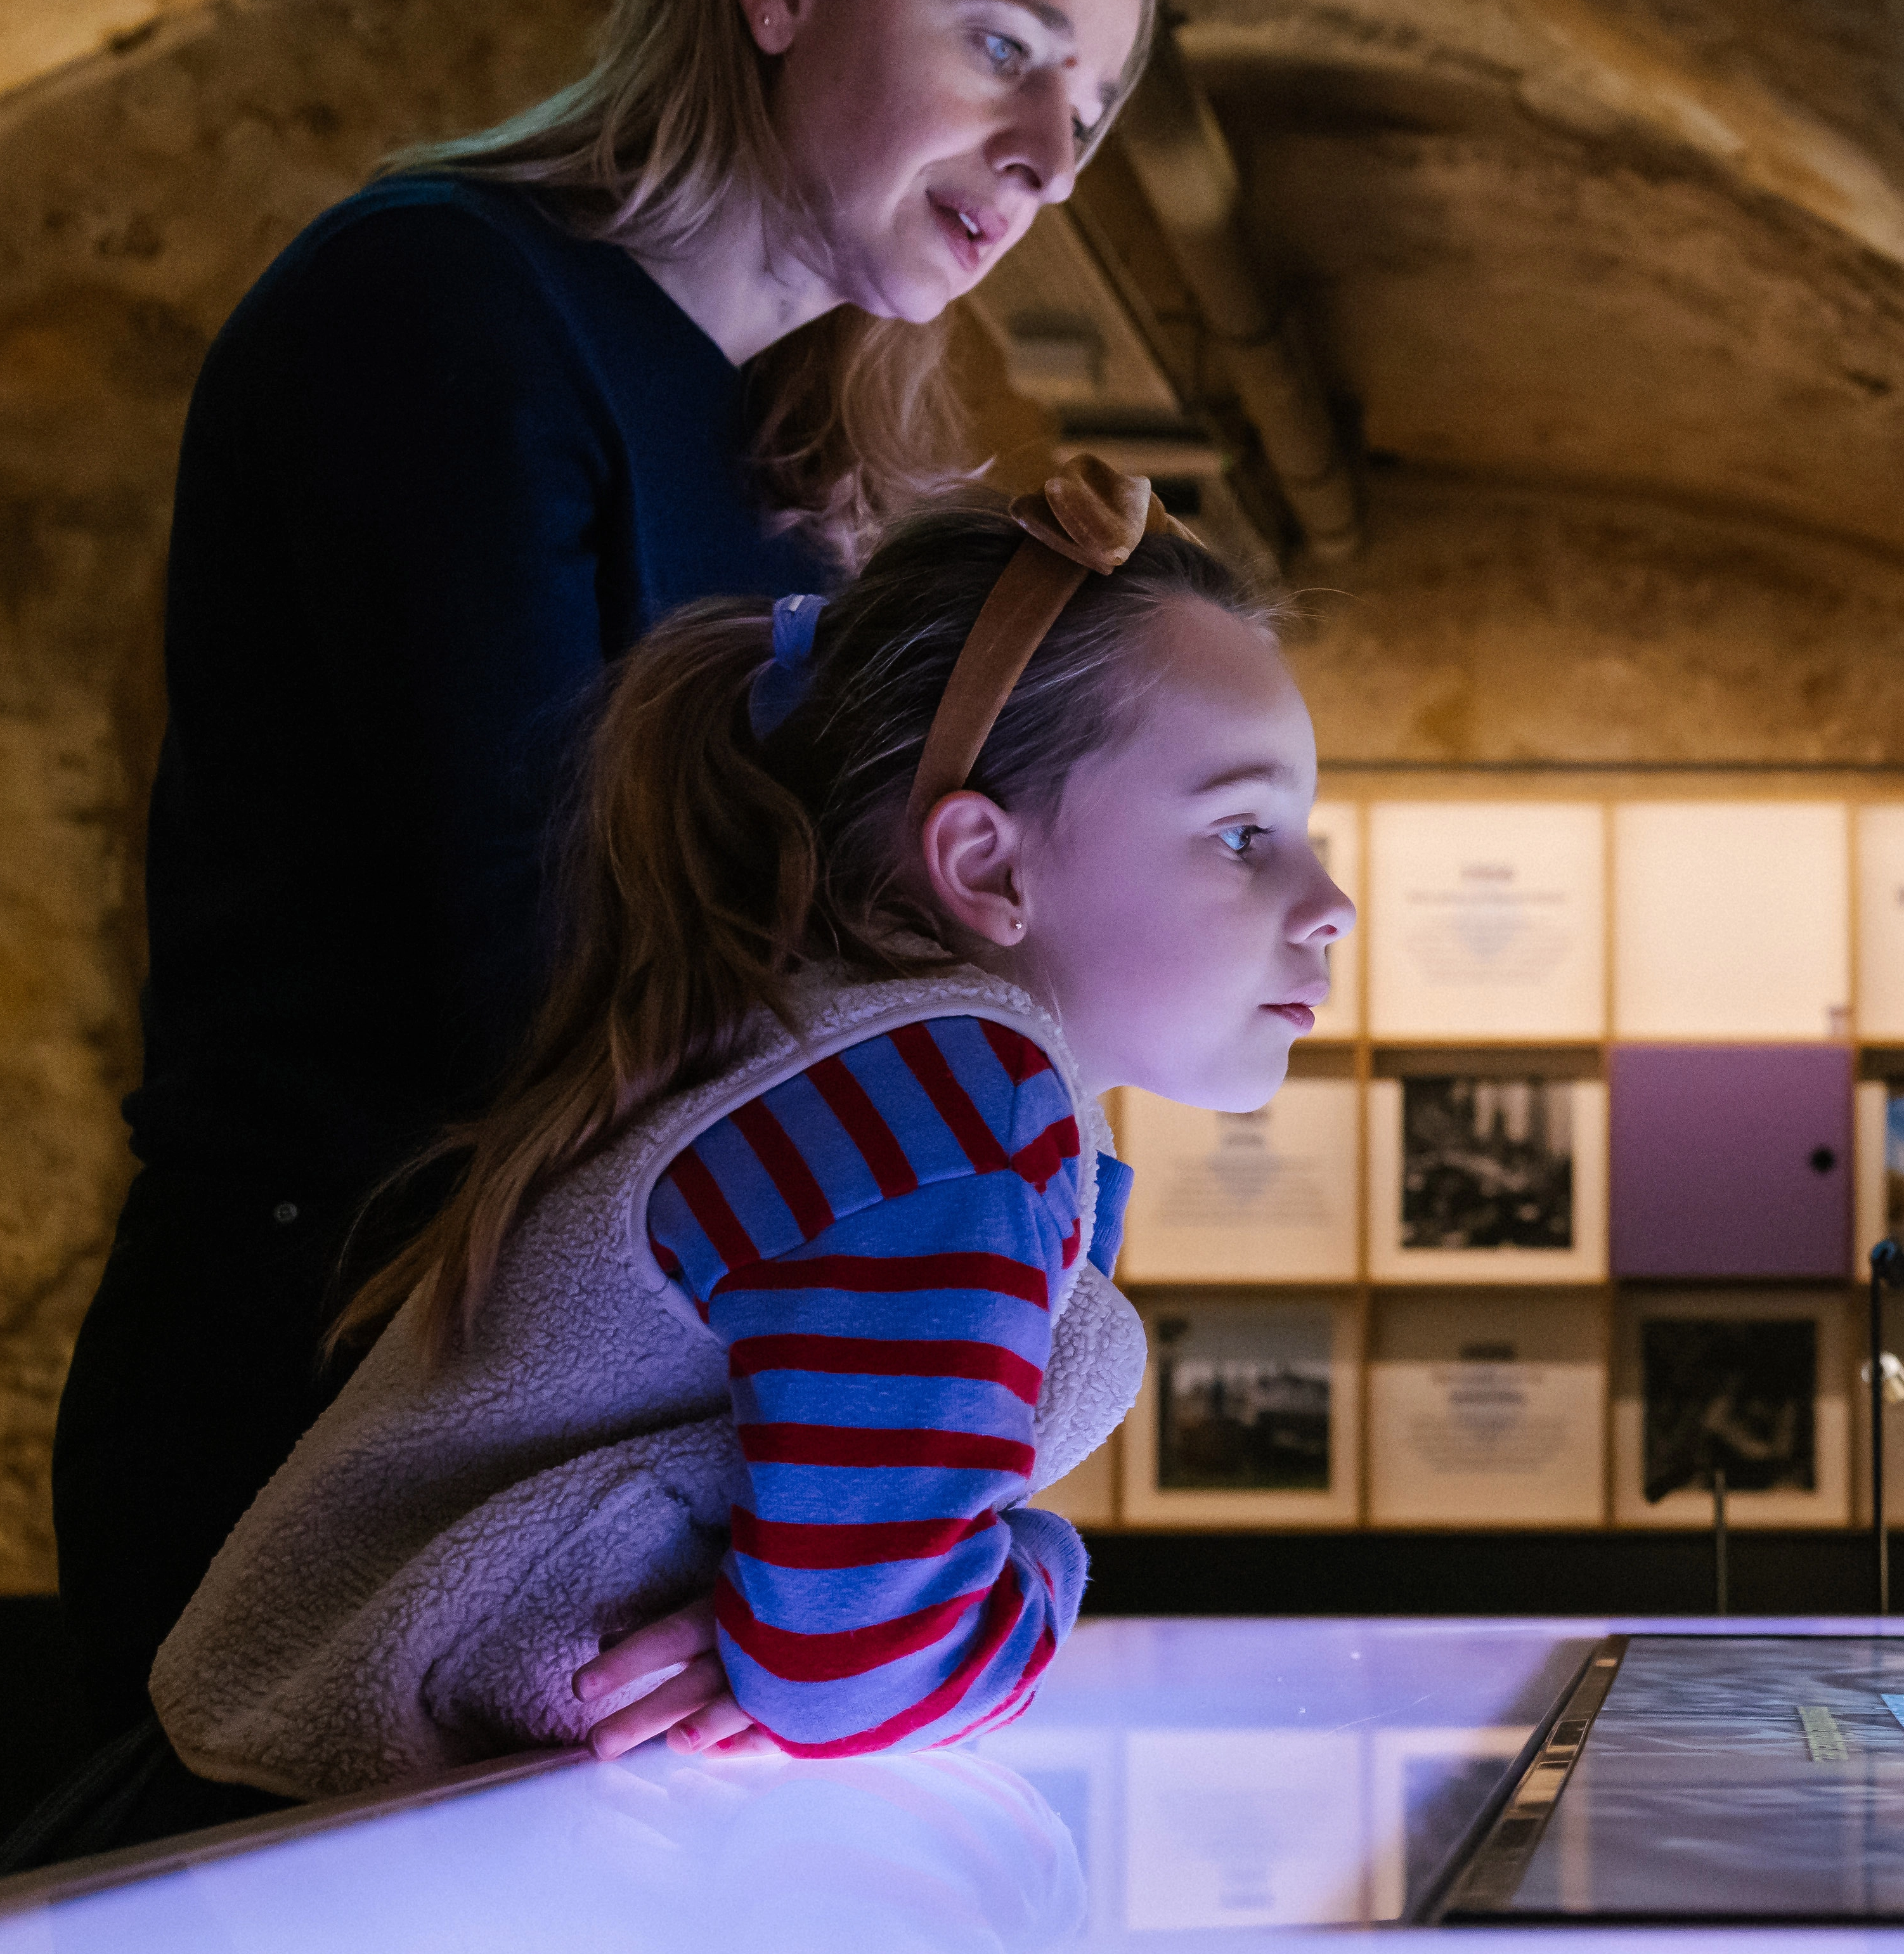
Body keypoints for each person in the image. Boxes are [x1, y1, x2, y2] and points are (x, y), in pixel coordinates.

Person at [49, 0, 1163, 1731]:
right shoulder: (444, 314)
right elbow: (556, 989)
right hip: (350, 1442)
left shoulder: (790, 457)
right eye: (1007, 45)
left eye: (1090, 104)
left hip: (589, 1439)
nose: (1053, 155)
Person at [144, 455, 1348, 1801]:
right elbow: (868, 1659)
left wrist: (812, 1632)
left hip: (379, 1830)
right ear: (984, 862)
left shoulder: (879, 1067)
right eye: (1244, 834)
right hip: (362, 1860)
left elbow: (843, 1630)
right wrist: (1042, 1575)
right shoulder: (955, 1102)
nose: (1331, 901)